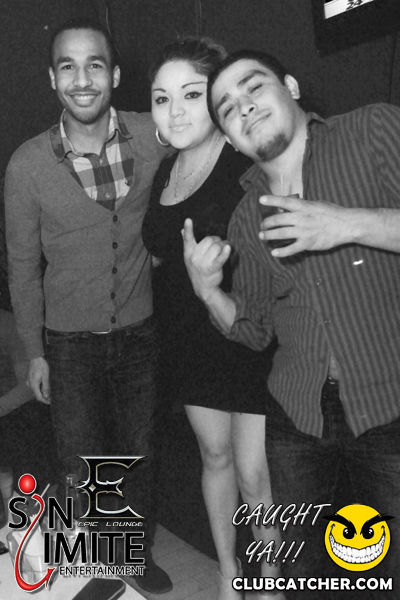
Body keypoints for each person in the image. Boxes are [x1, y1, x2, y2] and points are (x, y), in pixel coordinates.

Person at [183, 49, 400, 599]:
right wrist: (208, 292)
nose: (244, 107)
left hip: (391, 403)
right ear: (230, 140)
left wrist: (349, 224)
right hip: (298, 418)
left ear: (292, 87)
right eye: (227, 108)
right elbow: (254, 329)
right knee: (305, 571)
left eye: (253, 87)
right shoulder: (245, 217)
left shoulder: (373, 131)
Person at [5, 17, 172, 595]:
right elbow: (22, 267)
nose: (82, 79)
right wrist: (35, 352)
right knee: (82, 462)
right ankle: (103, 563)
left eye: (94, 65)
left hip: (141, 332)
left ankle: (134, 555)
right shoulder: (27, 165)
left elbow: (210, 143)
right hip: (68, 343)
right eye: (68, 67)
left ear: (116, 75)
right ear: (52, 78)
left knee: (139, 453)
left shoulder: (153, 134)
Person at [142, 39, 284, 600]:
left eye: (190, 95)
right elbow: (159, 256)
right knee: (214, 456)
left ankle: (271, 581)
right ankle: (229, 572)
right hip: (188, 342)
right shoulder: (163, 173)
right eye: (161, 98)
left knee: (254, 473)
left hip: (247, 337)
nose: (174, 111)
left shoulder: (244, 160)